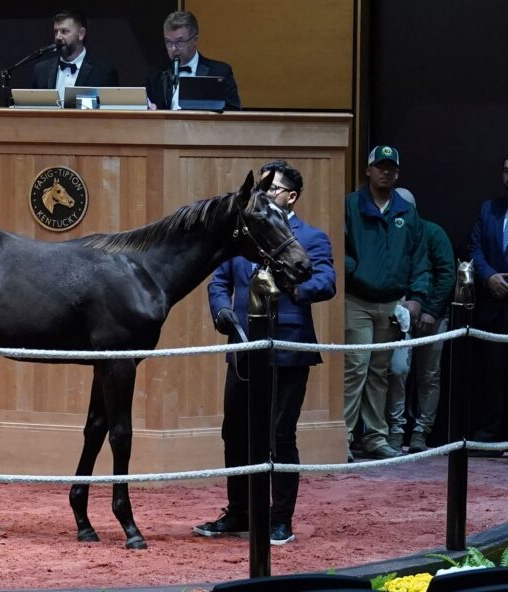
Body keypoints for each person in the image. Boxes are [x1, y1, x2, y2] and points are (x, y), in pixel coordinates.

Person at [193, 160, 336, 546]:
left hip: (287, 349)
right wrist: (222, 311)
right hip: (243, 346)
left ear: (291, 196)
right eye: (262, 188)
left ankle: (279, 519)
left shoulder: (312, 237)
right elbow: (219, 281)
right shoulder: (242, 234)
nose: (265, 193)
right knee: (234, 432)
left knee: (279, 436)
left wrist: (287, 285)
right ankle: (239, 512)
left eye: (273, 189)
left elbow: (325, 282)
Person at [344, 145, 429, 460]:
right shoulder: (350, 205)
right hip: (356, 300)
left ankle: (376, 438)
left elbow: (419, 257)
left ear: (398, 172)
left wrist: (417, 296)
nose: (386, 172)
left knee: (381, 371)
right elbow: (338, 248)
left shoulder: (407, 211)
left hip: (392, 303)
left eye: (391, 168)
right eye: (380, 167)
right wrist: (359, 270)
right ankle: (343, 436)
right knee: (355, 366)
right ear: (368, 170)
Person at [385, 188, 455, 453]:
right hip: (398, 313)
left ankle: (420, 432)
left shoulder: (433, 233)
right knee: (397, 370)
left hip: (431, 315)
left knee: (428, 374)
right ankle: (395, 429)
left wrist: (430, 311)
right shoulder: (388, 233)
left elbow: (447, 274)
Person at [467, 156, 508, 454]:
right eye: (507, 170)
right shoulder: (489, 208)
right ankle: (491, 436)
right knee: (493, 374)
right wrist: (489, 276)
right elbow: (475, 248)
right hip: (494, 303)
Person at [146, 10, 241, 110]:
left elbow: (233, 112)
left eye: (179, 42)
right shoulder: (155, 75)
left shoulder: (220, 72)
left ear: (195, 40)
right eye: (169, 42)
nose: (173, 48)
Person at [31, 9, 118, 99]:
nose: (58, 37)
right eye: (56, 32)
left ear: (81, 34)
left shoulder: (103, 72)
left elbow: (111, 110)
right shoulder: (41, 70)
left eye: (64, 31)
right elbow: (31, 108)